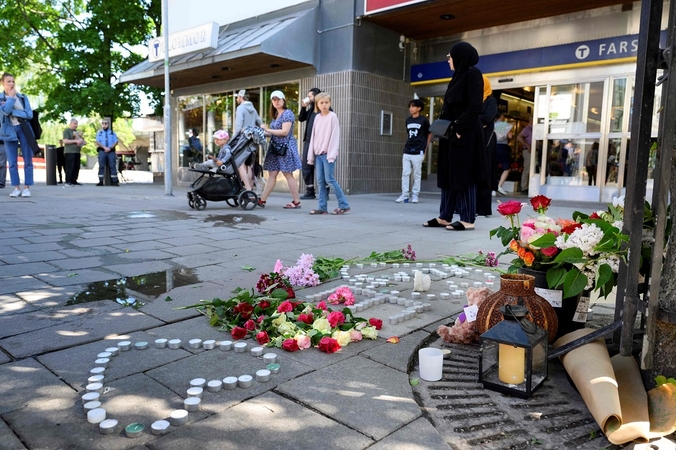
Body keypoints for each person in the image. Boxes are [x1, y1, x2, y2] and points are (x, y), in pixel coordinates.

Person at [423, 42, 484, 231]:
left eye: (450, 56)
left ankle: (467, 218)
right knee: (448, 173)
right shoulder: (456, 77)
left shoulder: (473, 74)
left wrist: (459, 127)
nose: (448, 60)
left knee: (464, 173)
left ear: (460, 56)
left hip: (465, 133)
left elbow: (475, 106)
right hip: (450, 134)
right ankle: (445, 216)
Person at [307, 92, 350, 215]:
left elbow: (335, 136)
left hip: (328, 154)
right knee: (320, 181)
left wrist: (331, 155)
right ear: (317, 104)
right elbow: (314, 137)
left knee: (329, 179)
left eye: (326, 102)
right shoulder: (317, 118)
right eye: (321, 103)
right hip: (318, 155)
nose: (324, 105)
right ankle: (322, 207)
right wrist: (311, 155)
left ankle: (344, 205)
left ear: (330, 103)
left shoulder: (333, 116)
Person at [258, 90, 303, 209]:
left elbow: (284, 132)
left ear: (283, 100)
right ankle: (262, 200)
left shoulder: (287, 114)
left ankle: (296, 201)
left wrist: (267, 129)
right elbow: (274, 133)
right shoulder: (276, 115)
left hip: (285, 148)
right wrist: (260, 133)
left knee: (288, 175)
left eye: (278, 99)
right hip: (275, 148)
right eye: (274, 100)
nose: (276, 102)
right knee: (272, 174)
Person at [0, 72, 36, 197]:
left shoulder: (22, 97)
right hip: (8, 130)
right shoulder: (1, 99)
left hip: (24, 129)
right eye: (8, 81)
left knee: (28, 159)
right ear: (2, 83)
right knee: (12, 161)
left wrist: (13, 111)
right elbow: (4, 112)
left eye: (13, 81)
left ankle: (27, 187)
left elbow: (29, 115)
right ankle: (16, 188)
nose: (11, 84)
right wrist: (10, 98)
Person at [395, 98, 431, 204]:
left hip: (418, 150)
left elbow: (429, 133)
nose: (411, 108)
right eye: (410, 106)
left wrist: (426, 147)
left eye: (413, 106)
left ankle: (415, 195)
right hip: (407, 150)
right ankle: (404, 194)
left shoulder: (424, 120)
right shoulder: (408, 120)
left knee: (417, 174)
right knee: (405, 173)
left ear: (419, 108)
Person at [476, 76, 497, 216]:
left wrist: (476, 120)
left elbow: (488, 117)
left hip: (486, 140)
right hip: (475, 138)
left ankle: (483, 209)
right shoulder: (473, 99)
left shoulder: (491, 100)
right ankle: (470, 206)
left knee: (485, 172)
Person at [235, 90, 263, 189]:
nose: (237, 99)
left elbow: (238, 126)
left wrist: (235, 139)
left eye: (237, 97)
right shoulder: (253, 109)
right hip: (253, 141)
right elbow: (260, 122)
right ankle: (251, 189)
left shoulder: (240, 108)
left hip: (242, 140)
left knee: (240, 164)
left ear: (241, 97)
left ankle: (247, 188)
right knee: (250, 165)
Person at [298, 88, 322, 199]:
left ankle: (324, 191)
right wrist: (303, 106)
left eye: (310, 96)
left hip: (319, 142)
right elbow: (300, 118)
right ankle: (310, 190)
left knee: (321, 166)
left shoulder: (324, 109)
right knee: (306, 166)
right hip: (308, 141)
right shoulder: (311, 109)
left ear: (316, 96)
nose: (309, 98)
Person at [493, 113, 514, 195]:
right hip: (502, 147)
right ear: (501, 117)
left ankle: (493, 189)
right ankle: (499, 186)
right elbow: (510, 136)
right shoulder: (506, 125)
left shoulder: (492, 125)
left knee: (493, 168)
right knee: (507, 167)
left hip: (493, 147)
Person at [95, 118, 119, 186]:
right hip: (102, 151)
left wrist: (110, 148)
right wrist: (104, 148)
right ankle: (101, 181)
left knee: (112, 166)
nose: (104, 125)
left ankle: (114, 181)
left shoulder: (112, 133)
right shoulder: (99, 133)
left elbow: (116, 141)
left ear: (108, 124)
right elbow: (97, 142)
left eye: (106, 123)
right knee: (101, 166)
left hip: (111, 151)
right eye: (103, 123)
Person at [62, 118, 85, 186]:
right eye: (74, 123)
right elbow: (65, 141)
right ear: (71, 123)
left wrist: (82, 142)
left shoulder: (77, 132)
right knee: (70, 167)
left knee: (76, 167)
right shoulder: (67, 131)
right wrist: (75, 141)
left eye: (77, 124)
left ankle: (74, 180)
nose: (76, 125)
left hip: (77, 151)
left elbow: (82, 140)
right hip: (69, 152)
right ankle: (68, 181)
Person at [517, 118, 533, 194]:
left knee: (532, 169)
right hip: (528, 151)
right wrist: (527, 145)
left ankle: (529, 186)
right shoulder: (527, 129)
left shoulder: (535, 129)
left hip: (534, 151)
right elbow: (519, 137)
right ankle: (524, 187)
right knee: (527, 168)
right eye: (531, 120)